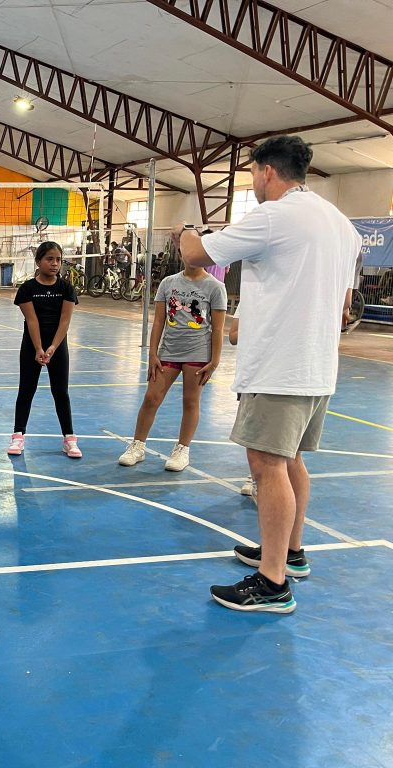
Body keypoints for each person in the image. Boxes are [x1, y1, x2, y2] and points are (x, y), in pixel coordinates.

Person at [177, 135, 361, 613]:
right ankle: (289, 553)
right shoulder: (341, 225)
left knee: (267, 465)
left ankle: (273, 582)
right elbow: (343, 303)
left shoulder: (275, 215)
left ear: (267, 171)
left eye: (254, 174)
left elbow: (196, 255)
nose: (255, 183)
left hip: (280, 367)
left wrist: (187, 231)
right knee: (290, 459)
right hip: (317, 366)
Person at [116, 246, 227, 471]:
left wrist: (214, 361)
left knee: (190, 401)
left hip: (198, 353)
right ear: (181, 254)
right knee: (151, 397)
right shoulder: (168, 283)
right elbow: (159, 321)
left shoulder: (215, 287)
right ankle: (137, 446)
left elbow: (217, 328)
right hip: (168, 352)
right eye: (188, 252)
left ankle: (182, 450)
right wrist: (152, 353)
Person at [7, 242, 82, 458]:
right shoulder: (27, 289)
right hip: (32, 345)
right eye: (49, 259)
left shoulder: (66, 288)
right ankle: (18, 436)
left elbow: (65, 321)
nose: (55, 263)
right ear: (38, 261)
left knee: (61, 392)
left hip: (57, 345)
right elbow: (32, 320)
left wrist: (53, 347)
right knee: (26, 390)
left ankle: (69, 438)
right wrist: (39, 348)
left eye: (58, 259)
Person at [228, 305, 256, 497]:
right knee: (253, 428)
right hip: (250, 374)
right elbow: (233, 336)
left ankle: (260, 476)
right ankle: (255, 475)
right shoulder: (248, 302)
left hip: (275, 376)